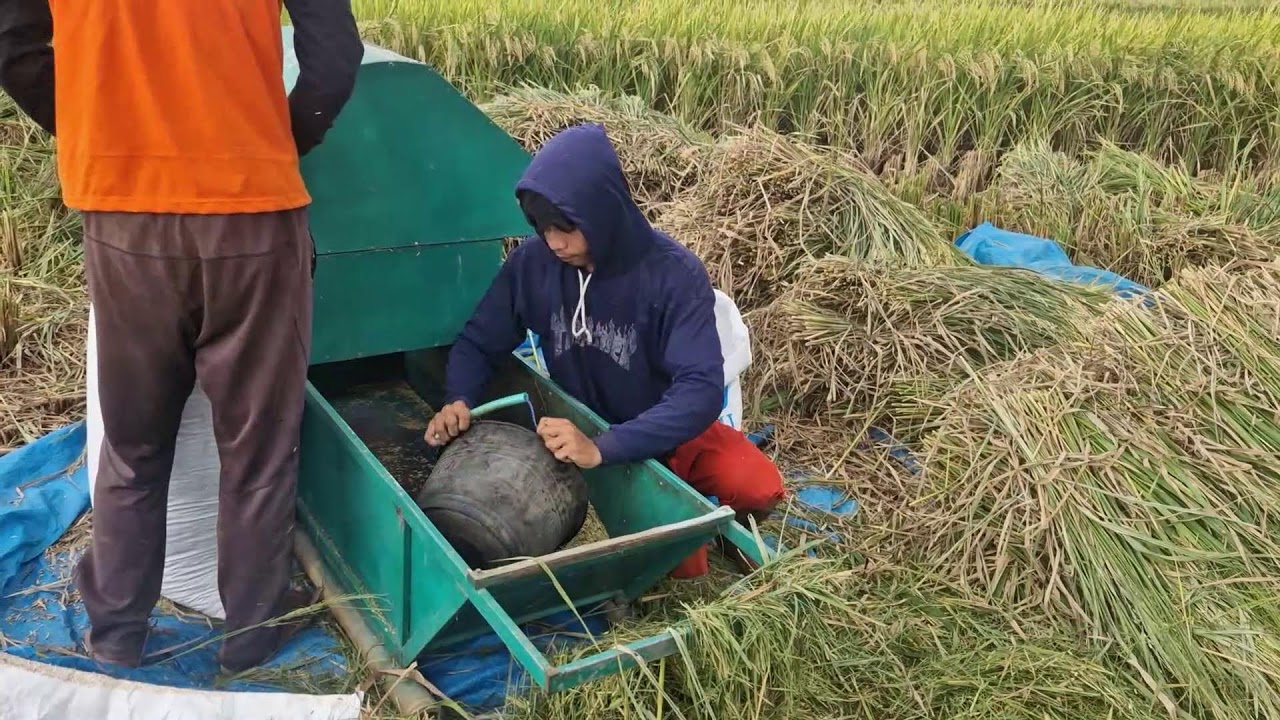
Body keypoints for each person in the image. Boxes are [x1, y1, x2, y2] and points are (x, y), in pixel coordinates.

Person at [0, 0, 364, 671]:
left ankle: (115, 635)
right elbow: (335, 59)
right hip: (253, 216)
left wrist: (93, 127)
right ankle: (250, 639)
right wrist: (276, 138)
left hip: (124, 216)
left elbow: (13, 46)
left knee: (132, 448)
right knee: (257, 451)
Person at [424, 123, 786, 578]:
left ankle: (731, 531)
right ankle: (688, 535)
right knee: (682, 568)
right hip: (584, 431)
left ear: (603, 211)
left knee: (760, 485)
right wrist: (458, 397)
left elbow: (700, 390)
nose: (555, 242)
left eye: (567, 227)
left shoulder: (672, 276)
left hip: (663, 429)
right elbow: (480, 340)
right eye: (542, 228)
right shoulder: (533, 265)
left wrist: (607, 447)